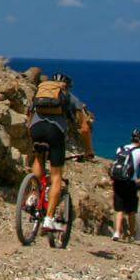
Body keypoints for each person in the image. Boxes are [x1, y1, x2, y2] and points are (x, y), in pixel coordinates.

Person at [26, 72, 92, 231]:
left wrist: (31, 133)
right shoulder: (70, 97)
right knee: (56, 176)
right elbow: (84, 129)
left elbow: (29, 113)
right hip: (55, 132)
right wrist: (89, 150)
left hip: (36, 129)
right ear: (67, 86)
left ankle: (33, 195)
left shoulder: (40, 92)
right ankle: (49, 219)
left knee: (39, 159)